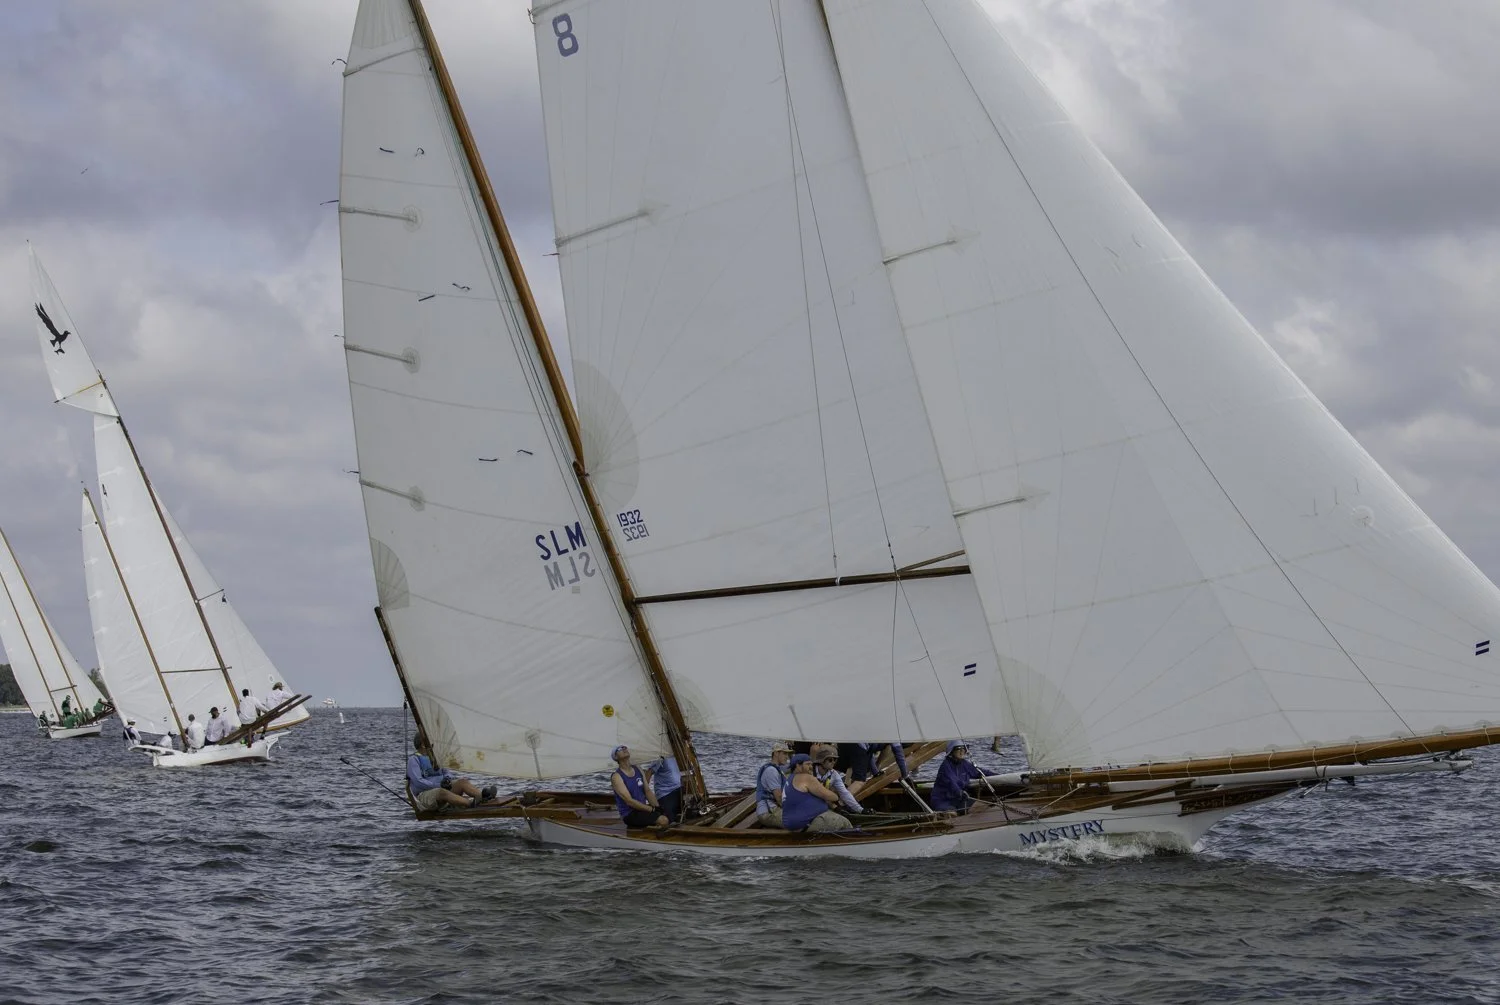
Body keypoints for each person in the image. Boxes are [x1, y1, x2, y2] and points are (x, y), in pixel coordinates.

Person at [406, 730, 494, 810]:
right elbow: (418, 782)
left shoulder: (435, 757)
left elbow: (446, 772)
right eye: (430, 740)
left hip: (442, 788)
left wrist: (447, 779)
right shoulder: (414, 760)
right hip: (424, 795)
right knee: (442, 792)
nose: (433, 742)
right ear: (423, 744)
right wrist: (438, 785)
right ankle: (470, 803)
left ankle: (482, 798)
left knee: (462, 782)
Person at [782, 754, 851, 832]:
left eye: (811, 764)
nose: (811, 767)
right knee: (844, 822)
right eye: (807, 764)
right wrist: (829, 790)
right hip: (807, 824)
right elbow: (833, 797)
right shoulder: (805, 777)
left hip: (793, 824)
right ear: (798, 766)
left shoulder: (789, 778)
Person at [610, 745, 667, 828]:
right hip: (630, 814)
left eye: (625, 747)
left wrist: (658, 808)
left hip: (642, 810)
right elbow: (629, 801)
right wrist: (652, 810)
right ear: (615, 757)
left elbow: (647, 791)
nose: (624, 749)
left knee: (667, 816)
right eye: (620, 749)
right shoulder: (617, 777)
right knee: (663, 821)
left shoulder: (638, 769)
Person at [931, 740, 986, 814]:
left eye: (963, 748)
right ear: (951, 751)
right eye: (959, 748)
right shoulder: (945, 766)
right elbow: (952, 783)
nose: (962, 751)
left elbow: (979, 771)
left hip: (959, 799)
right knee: (952, 815)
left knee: (982, 807)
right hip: (943, 801)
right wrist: (960, 792)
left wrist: (999, 776)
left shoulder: (964, 764)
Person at [814, 750, 864, 815]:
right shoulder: (810, 772)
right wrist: (834, 807)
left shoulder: (834, 774)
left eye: (835, 760)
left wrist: (861, 810)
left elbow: (844, 793)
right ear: (821, 761)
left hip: (824, 802)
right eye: (830, 760)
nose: (833, 762)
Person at [755, 741, 792, 827]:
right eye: (784, 753)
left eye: (787, 754)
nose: (787, 757)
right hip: (768, 812)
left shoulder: (777, 770)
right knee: (798, 821)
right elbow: (779, 798)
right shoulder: (771, 771)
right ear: (776, 753)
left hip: (771, 809)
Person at [644, 754, 684, 823]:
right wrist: (644, 794)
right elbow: (649, 773)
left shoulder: (676, 752)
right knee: (670, 820)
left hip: (678, 789)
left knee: (684, 816)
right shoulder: (661, 755)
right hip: (665, 794)